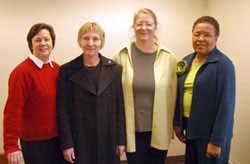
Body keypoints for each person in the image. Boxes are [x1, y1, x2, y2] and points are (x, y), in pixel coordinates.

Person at [113, 8, 177, 164]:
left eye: (148, 24)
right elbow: (114, 97)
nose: (144, 28)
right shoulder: (120, 56)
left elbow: (175, 94)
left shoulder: (169, 57)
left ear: (155, 26)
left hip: (159, 128)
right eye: (139, 24)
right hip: (132, 131)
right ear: (133, 27)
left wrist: (177, 124)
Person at [57, 22, 126, 164]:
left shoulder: (114, 69)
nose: (90, 43)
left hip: (108, 138)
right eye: (86, 38)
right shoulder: (67, 70)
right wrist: (67, 144)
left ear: (101, 42)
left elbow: (119, 108)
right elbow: (62, 111)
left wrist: (120, 140)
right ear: (79, 41)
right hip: (79, 140)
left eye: (95, 39)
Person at [173, 16, 236, 164]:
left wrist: (217, 141)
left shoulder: (223, 65)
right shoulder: (186, 61)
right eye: (197, 34)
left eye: (207, 35)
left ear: (216, 38)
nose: (200, 38)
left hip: (210, 134)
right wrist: (178, 123)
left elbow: (226, 106)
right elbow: (178, 94)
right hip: (191, 129)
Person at [3, 23, 66, 164]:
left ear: (53, 43)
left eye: (46, 39)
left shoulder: (57, 69)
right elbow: (12, 111)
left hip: (59, 139)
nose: (43, 43)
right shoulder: (21, 72)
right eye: (38, 40)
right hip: (35, 143)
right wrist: (11, 145)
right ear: (31, 44)